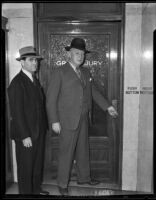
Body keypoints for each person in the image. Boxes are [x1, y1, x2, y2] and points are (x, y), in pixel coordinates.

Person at [46, 38, 118, 196]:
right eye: (77, 53)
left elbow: (93, 92)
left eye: (82, 54)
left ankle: (84, 178)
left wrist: (108, 107)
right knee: (66, 153)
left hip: (83, 118)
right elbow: (50, 99)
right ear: (70, 54)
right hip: (66, 121)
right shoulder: (60, 72)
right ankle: (62, 183)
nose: (80, 56)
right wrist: (54, 121)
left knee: (83, 150)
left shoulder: (85, 72)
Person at [7, 46, 49, 195]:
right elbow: (17, 113)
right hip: (26, 135)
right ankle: (26, 193)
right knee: (26, 168)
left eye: (36, 60)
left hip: (38, 132)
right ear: (22, 62)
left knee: (37, 166)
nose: (35, 63)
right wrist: (25, 135)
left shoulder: (34, 79)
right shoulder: (17, 83)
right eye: (31, 60)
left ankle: (36, 190)